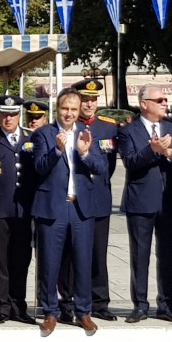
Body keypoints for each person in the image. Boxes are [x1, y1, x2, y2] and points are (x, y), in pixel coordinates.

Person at [31, 89, 105, 336]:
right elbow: (39, 167)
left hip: (81, 207)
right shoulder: (44, 134)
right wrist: (58, 151)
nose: (69, 114)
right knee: (49, 262)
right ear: (57, 109)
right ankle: (50, 312)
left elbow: (101, 167)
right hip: (53, 206)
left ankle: (83, 312)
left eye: (74, 109)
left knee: (83, 261)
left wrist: (84, 152)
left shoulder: (87, 133)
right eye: (65, 109)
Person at [118, 86, 172, 324]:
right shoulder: (129, 131)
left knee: (167, 255)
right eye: (159, 100)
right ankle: (140, 305)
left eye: (165, 99)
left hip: (168, 200)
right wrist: (151, 150)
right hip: (141, 200)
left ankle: (166, 304)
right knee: (140, 255)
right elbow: (130, 161)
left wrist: (168, 152)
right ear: (144, 103)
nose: (164, 103)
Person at [60, 81, 118, 323]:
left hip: (98, 198)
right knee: (69, 253)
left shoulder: (108, 128)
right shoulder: (70, 126)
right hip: (74, 198)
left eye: (93, 99)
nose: (90, 104)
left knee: (97, 252)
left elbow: (109, 166)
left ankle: (99, 301)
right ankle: (67, 300)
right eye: (85, 99)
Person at [0, 96, 37, 325]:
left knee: (21, 259)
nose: (8, 118)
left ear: (19, 115)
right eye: (4, 114)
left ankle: (18, 305)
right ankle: (1, 306)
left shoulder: (31, 139)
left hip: (24, 210)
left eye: (12, 114)